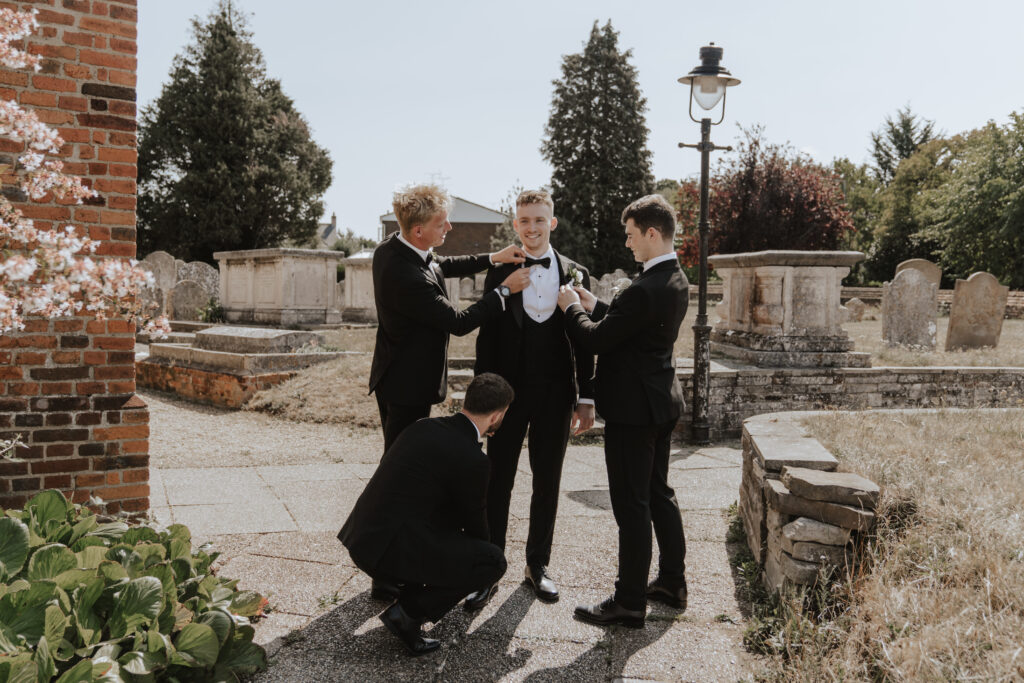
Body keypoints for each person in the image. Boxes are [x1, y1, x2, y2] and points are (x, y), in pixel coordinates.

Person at [555, 194, 690, 628]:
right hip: (661, 402)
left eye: (631, 235)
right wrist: (595, 304)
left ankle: (629, 601)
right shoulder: (673, 278)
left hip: (633, 412)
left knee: (631, 506)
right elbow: (633, 324)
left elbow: (596, 341)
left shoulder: (643, 289)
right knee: (657, 495)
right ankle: (672, 581)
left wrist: (572, 309)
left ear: (652, 233)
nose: (628, 243)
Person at [464, 190, 595, 610]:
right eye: (524, 221)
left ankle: (537, 565)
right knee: (496, 480)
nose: (532, 228)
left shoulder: (577, 273)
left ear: (552, 223)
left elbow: (585, 342)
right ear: (515, 225)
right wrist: (483, 403)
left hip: (557, 395)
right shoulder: (499, 271)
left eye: (539, 220)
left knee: (547, 481)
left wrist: (586, 396)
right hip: (507, 396)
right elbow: (485, 336)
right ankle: (489, 568)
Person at [338, 373, 514, 656]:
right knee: (491, 562)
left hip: (362, 540)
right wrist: (482, 557)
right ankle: (407, 615)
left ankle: (403, 589)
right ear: (496, 416)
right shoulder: (474, 459)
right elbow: (476, 527)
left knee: (442, 537)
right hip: (389, 552)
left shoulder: (423, 426)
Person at [369, 183, 530, 453]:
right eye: (442, 223)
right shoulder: (407, 277)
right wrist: (504, 290)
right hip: (407, 383)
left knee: (404, 455)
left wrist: (493, 258)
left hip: (396, 372)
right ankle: (395, 496)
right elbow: (459, 322)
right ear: (419, 230)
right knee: (402, 458)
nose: (450, 227)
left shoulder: (394, 246)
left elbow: (441, 264)